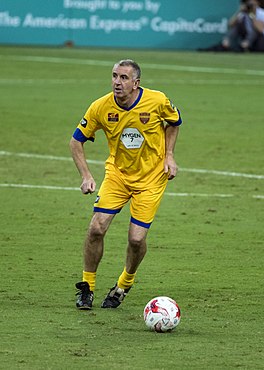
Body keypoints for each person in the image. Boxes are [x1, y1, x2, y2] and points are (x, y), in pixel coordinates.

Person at [69, 59, 182, 310]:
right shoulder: (100, 107)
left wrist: (170, 155)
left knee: (136, 239)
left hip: (151, 179)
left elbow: (174, 122)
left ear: (136, 83)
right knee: (96, 228)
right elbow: (76, 141)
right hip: (117, 176)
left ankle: (123, 285)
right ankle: (87, 287)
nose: (117, 82)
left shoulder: (157, 100)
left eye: (123, 78)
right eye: (114, 76)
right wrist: (86, 175)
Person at [199, 0, 264, 52]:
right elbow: (230, 24)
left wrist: (252, 15)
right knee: (235, 27)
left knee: (254, 31)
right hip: (244, 37)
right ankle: (226, 43)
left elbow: (260, 30)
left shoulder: (262, 13)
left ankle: (245, 46)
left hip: (260, 40)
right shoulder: (243, 13)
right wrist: (239, 11)